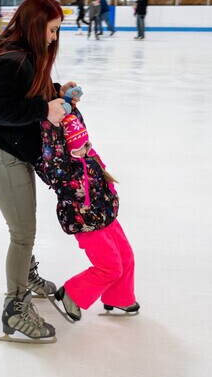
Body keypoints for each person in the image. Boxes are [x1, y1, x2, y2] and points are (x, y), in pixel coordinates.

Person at [0, 0, 80, 344]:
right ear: (36, 26)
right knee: (23, 233)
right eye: (51, 30)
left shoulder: (26, 54)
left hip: (12, 153)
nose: (54, 37)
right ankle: (15, 307)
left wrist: (56, 92)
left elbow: (30, 91)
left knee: (24, 227)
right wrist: (42, 111)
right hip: (0, 155)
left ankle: (25, 276)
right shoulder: (13, 60)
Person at [34, 108, 139, 322]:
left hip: (105, 214)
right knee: (109, 267)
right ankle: (71, 293)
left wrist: (69, 105)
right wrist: (50, 122)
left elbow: (74, 124)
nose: (84, 150)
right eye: (78, 148)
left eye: (86, 145)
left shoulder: (88, 154)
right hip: (85, 222)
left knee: (126, 257)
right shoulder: (61, 168)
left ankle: (119, 297)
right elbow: (52, 147)